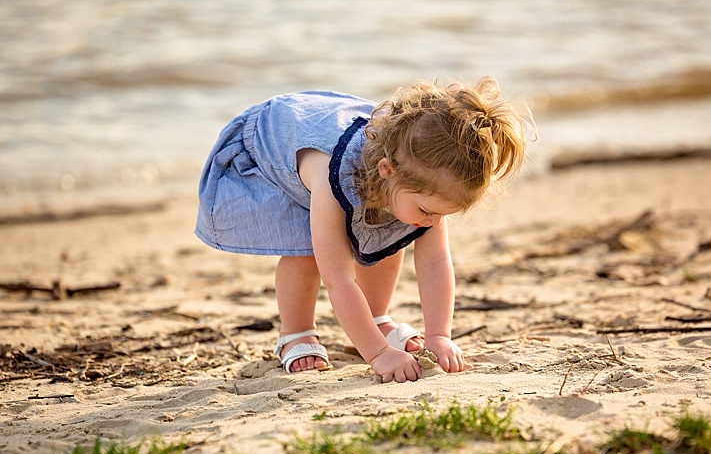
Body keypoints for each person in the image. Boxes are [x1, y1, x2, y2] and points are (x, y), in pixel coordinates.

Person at [195, 77, 527, 383]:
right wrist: (379, 355)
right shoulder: (332, 177)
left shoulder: (418, 180)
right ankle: (295, 333)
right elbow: (338, 279)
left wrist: (439, 335)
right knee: (307, 251)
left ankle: (377, 316)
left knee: (394, 233)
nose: (434, 222)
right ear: (387, 170)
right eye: (428, 211)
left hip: (346, 148)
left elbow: (435, 263)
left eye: (443, 214)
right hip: (273, 142)